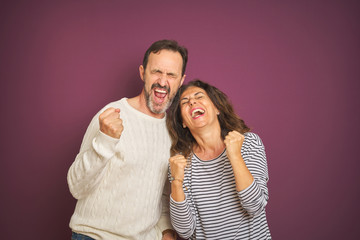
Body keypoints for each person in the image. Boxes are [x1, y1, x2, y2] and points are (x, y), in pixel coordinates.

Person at [67, 39, 188, 240]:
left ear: (181, 80)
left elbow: (161, 194)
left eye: (171, 75)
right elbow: (76, 187)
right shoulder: (111, 115)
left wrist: (166, 230)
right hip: (94, 236)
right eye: (156, 71)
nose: (163, 81)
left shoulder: (173, 132)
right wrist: (105, 140)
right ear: (143, 72)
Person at [167, 80, 271, 239]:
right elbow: (185, 231)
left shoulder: (248, 143)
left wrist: (235, 157)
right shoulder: (180, 163)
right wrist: (176, 182)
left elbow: (255, 206)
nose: (192, 102)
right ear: (183, 122)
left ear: (216, 108)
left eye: (199, 96)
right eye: (185, 102)